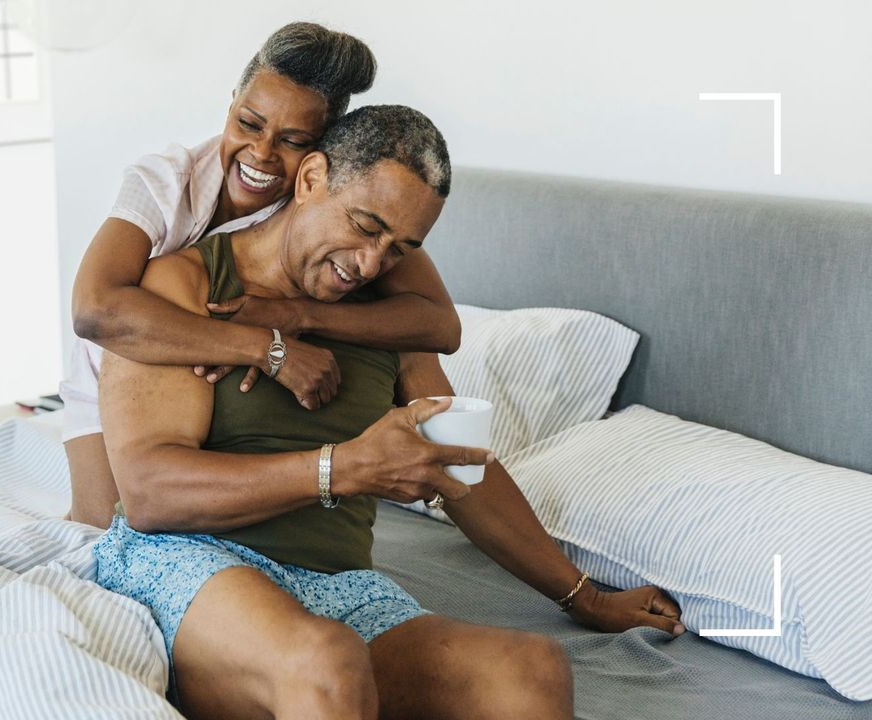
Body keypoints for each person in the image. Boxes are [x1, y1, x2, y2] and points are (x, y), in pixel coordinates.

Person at [94, 105, 686, 720]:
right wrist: (345, 468)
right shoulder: (185, 286)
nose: (372, 263)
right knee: (324, 660)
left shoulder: (384, 316)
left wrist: (583, 597)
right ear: (312, 177)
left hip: (336, 585)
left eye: (399, 248)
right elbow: (151, 493)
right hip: (185, 558)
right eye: (364, 225)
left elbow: (460, 468)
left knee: (529, 670)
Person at [62, 22, 463, 529]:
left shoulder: (343, 223)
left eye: (292, 140)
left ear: (319, 158)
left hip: (201, 393)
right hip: (114, 364)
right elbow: (95, 310)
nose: (262, 153)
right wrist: (266, 348)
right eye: (249, 124)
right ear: (231, 104)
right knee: (98, 536)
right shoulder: (164, 181)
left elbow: (441, 327)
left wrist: (300, 315)